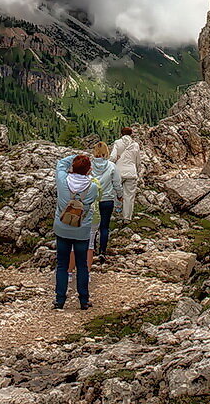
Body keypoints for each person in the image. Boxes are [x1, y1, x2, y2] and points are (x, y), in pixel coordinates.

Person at [53, 152, 100, 310]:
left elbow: (60, 164)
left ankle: (60, 300)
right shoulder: (92, 187)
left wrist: (75, 156)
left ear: (72, 167)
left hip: (62, 229)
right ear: (88, 170)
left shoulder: (62, 181)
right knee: (82, 266)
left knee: (62, 265)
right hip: (82, 231)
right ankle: (84, 300)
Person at [88, 140, 123, 263]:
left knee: (91, 227)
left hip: (92, 200)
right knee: (104, 227)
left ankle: (89, 250)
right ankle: (102, 251)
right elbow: (117, 183)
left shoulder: (89, 166)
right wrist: (120, 196)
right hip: (107, 199)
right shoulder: (112, 166)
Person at [109, 126, 142, 222]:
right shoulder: (135, 145)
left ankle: (115, 213)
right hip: (131, 173)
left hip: (118, 172)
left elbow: (112, 157)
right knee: (129, 196)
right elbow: (138, 161)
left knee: (115, 193)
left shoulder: (117, 143)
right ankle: (127, 218)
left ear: (121, 134)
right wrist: (137, 171)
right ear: (131, 134)